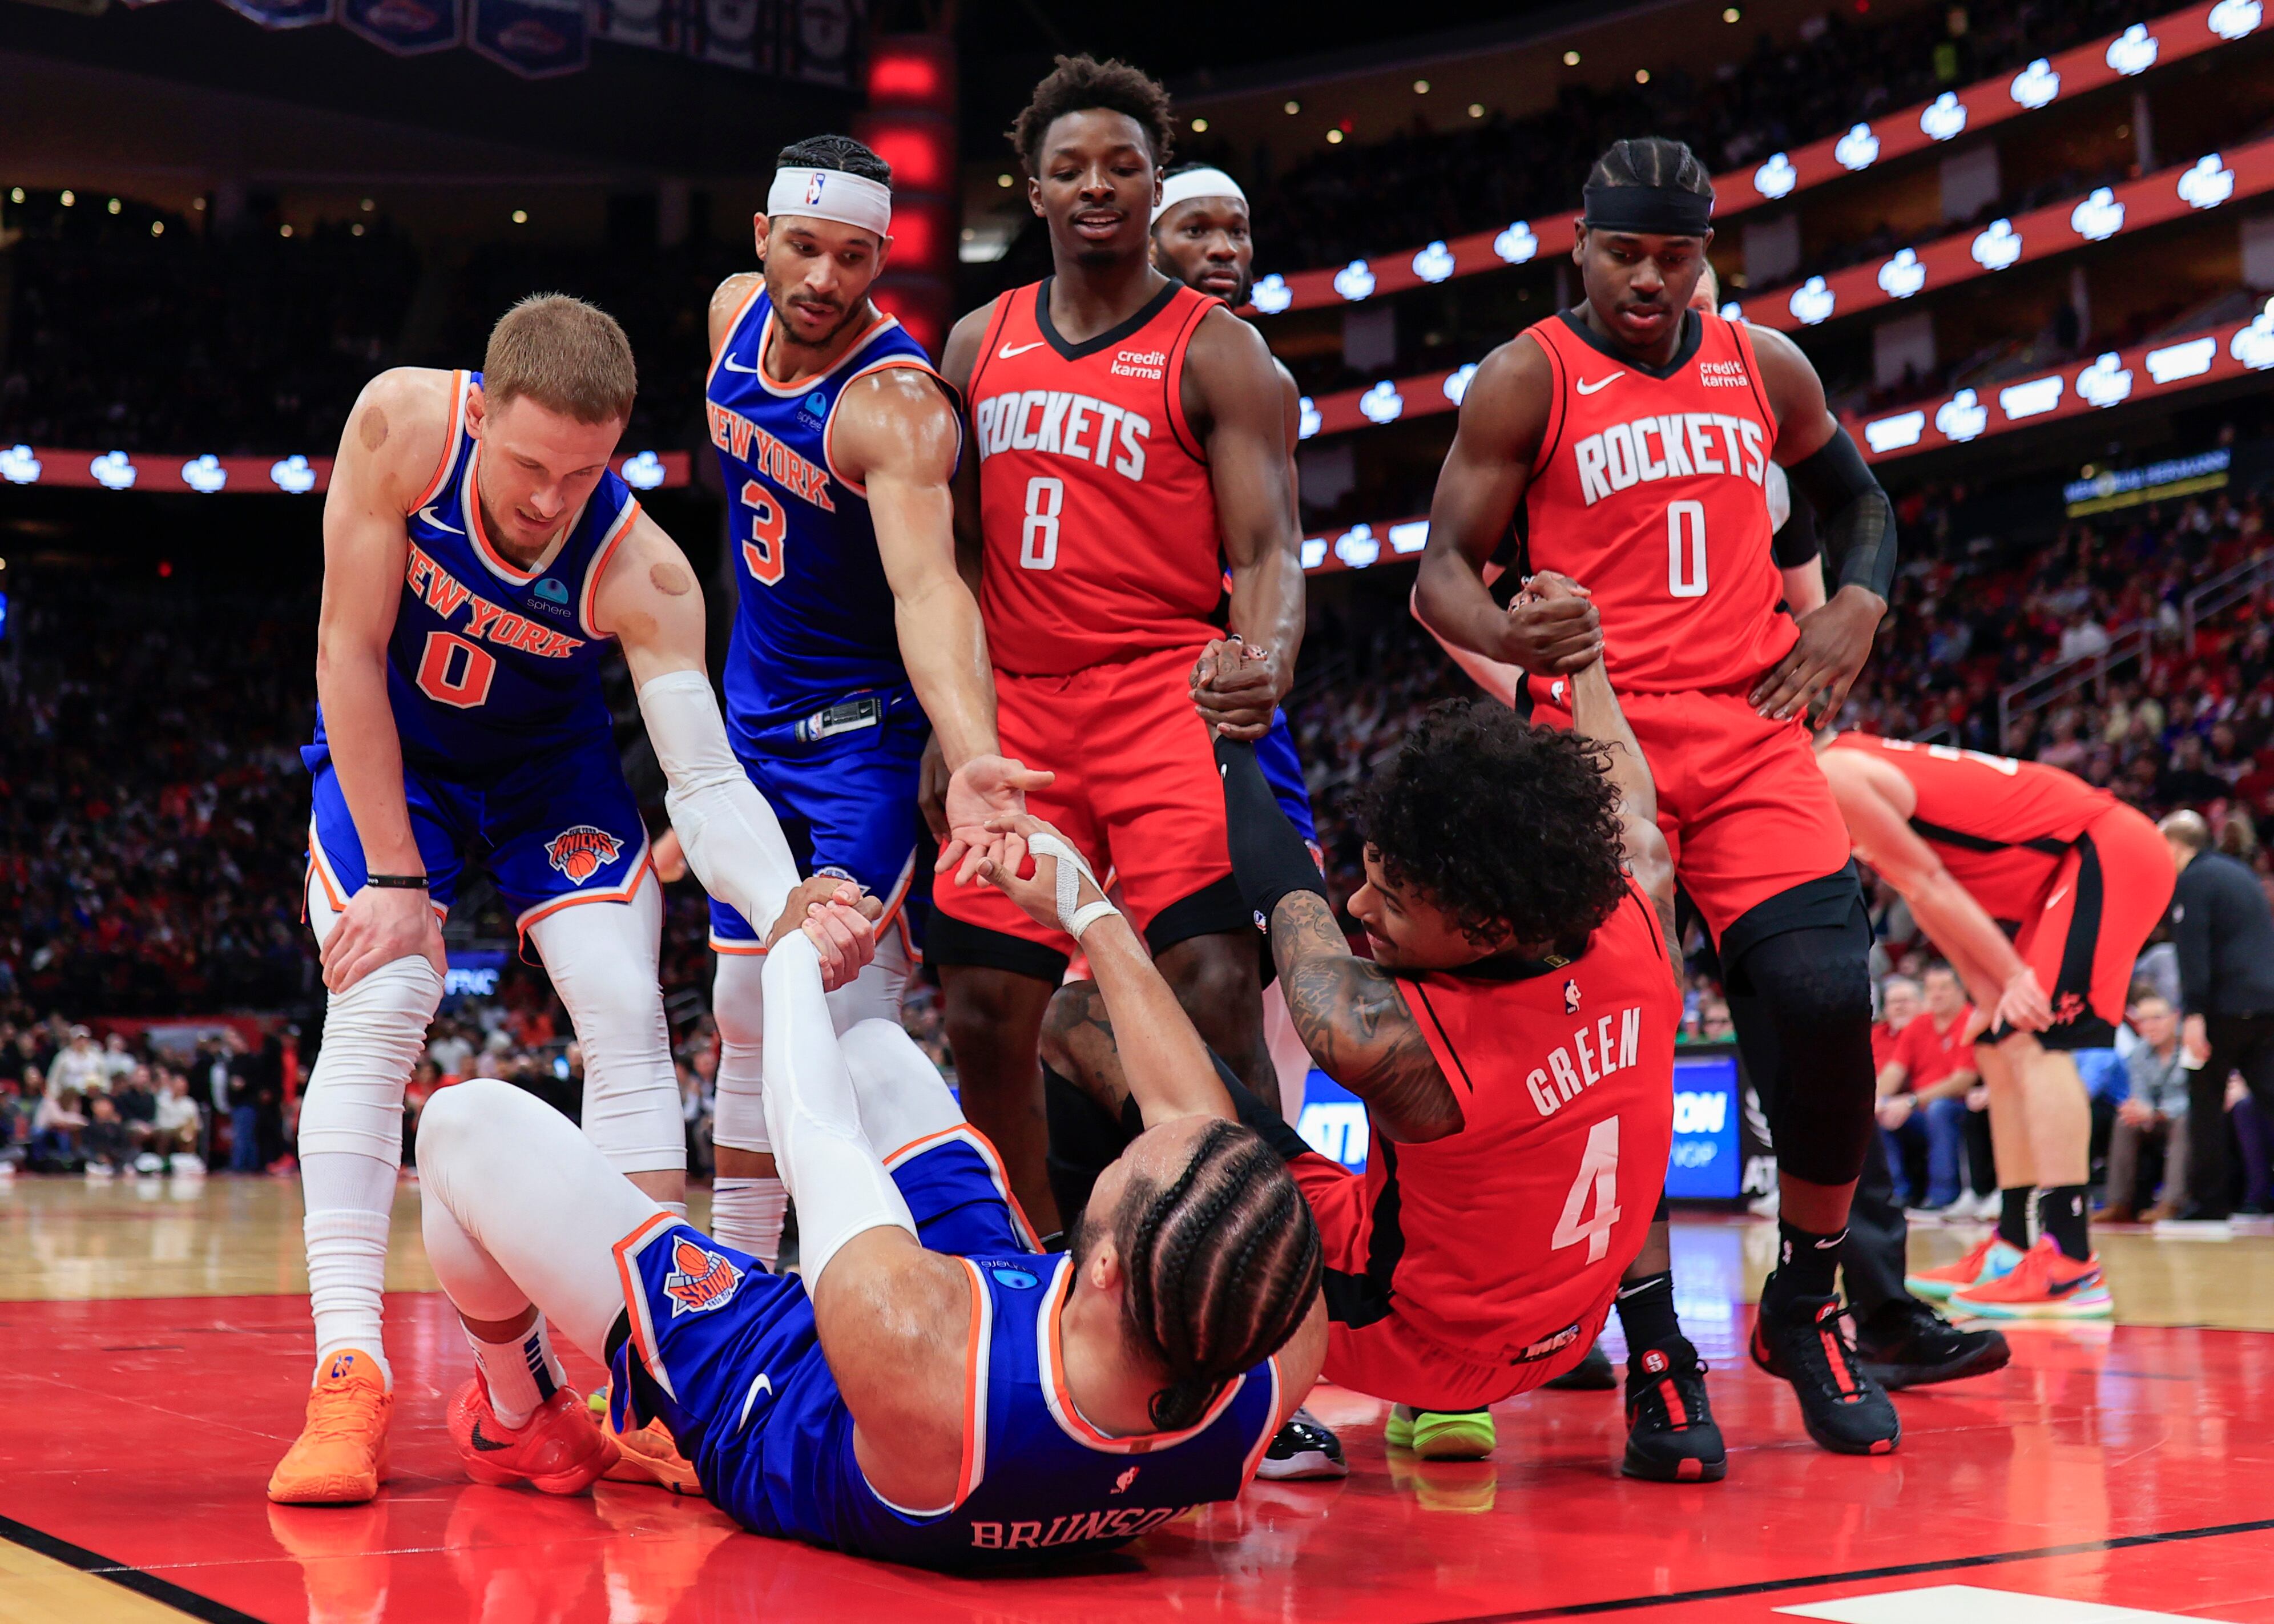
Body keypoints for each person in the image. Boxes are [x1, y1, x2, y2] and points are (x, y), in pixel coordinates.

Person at [276, 293, 878, 1505]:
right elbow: (346, 646)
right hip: (402, 750)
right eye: (531, 465)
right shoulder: (401, 424)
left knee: (623, 1007)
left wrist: (786, 898)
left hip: (551, 772)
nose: (553, 500)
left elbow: (704, 781)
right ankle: (348, 1371)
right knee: (384, 991)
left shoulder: (642, 564)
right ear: (480, 409)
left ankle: (648, 1384)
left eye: (587, 472)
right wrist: (396, 878)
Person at [409, 817, 1325, 1570]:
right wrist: (1087, 907)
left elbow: (815, 1136)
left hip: (790, 1394)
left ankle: (519, 1411)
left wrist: (792, 958)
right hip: (989, 1342)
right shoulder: (1266, 1339)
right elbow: (1200, 1129)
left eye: (1140, 1158)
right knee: (878, 1051)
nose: (1146, 1131)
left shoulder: (915, 1343)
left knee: (461, 1128)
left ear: (1110, 1263)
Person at [1414, 136, 1902, 1453]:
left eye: (1674, 257)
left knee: (1817, 1001)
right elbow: (1440, 573)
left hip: (1751, 733)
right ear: (1581, 245)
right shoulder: (1527, 375)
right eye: (1624, 253)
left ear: (1705, 257)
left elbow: (1862, 505)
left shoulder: (1764, 364)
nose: (1648, 278)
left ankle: (1807, 1300)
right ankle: (1653, 1348)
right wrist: (1526, 647)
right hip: (1601, 740)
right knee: (1613, 1047)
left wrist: (1855, 607)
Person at [1049, 599, 1724, 1478]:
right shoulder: (1641, 922)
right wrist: (1587, 660)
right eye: (1367, 883)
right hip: (1573, 1329)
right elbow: (1627, 803)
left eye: (1391, 901)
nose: (1361, 909)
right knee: (1619, 1107)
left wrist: (1231, 741)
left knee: (1080, 1024)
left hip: (1413, 1340)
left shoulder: (1375, 1032)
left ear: (1485, 929)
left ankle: (1106, 1361)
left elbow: (1285, 887)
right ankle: (1661, 1361)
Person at [930, 55, 1305, 1238]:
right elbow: (949, 563)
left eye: (1122, 166)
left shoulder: (1217, 349)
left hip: (1161, 698)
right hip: (1021, 709)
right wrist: (953, 732)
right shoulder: (972, 343)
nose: (1097, 186)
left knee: (1213, 990)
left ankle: (1241, 1278)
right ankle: (1035, 1274)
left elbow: (1271, 551)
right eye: (1070, 169)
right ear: (1031, 191)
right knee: (988, 1012)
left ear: (1153, 186)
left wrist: (1265, 657)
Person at [679, 133, 1028, 1274]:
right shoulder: (730, 315)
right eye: (807, 248)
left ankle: (889, 1280)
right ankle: (738, 1291)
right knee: (743, 1014)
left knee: (828, 1019)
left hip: (858, 747)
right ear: (762, 240)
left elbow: (932, 589)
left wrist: (970, 752)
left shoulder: (896, 404)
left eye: (856, 257)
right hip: (750, 723)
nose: (827, 278)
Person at [1817, 732, 2175, 1318]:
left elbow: (1928, 881)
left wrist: (2010, 976)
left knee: (2037, 1039)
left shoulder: (1835, 775)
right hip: (2063, 869)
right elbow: (1923, 892)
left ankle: (2071, 1260)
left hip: (2105, 849)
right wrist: (1987, 989)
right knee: (1995, 1040)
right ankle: (2012, 1244)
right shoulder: (1839, 767)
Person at [1146, 160, 1324, 1118]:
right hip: (1104, 695)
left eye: (1237, 231)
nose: (1223, 251)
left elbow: (1278, 555)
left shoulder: (1255, 370)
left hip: (1225, 693)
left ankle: (1274, 1188)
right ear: (1143, 243)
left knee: (1286, 954)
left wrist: (1256, 672)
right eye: (1195, 231)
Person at [2160, 810, 2274, 1223]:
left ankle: (2209, 1203)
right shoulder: (2239, 874)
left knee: (2205, 1100)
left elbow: (2194, 954)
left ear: (2174, 844)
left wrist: (2193, 1013)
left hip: (2223, 1009)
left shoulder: (2192, 880)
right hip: (2265, 1004)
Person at [1873, 965, 1979, 1213]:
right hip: (1921, 1109)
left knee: (1939, 1110)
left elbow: (1963, 1080)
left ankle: (1942, 1196)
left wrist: (1911, 1100)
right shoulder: (1919, 1025)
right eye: (1931, 989)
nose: (1936, 995)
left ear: (1961, 991)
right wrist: (1877, 1100)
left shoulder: (1970, 1021)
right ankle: (1895, 1195)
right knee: (1881, 1113)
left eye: (1944, 988)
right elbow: (1895, 1070)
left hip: (1962, 1107)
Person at [2104, 992, 2188, 1221]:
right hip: (2157, 1119)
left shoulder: (2190, 1048)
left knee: (2184, 1123)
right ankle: (2117, 1203)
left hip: (2188, 1118)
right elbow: (2140, 1094)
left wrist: (2154, 1112)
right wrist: (2137, 1109)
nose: (2150, 1026)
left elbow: (2195, 1099)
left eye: (2158, 1018)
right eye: (2143, 1020)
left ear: (2175, 1018)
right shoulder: (2139, 1053)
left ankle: (2172, 1202)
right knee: (2124, 1122)